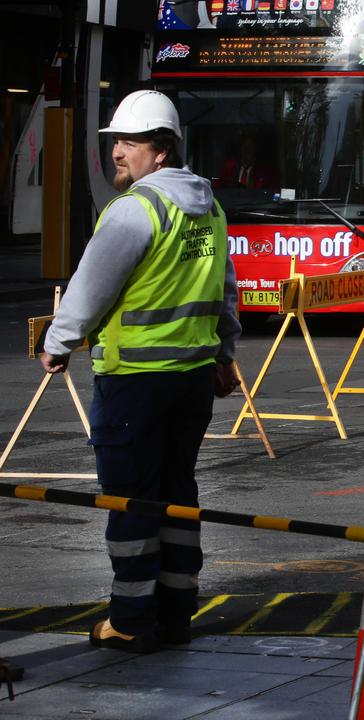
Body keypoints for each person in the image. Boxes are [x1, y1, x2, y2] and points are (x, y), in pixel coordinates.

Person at [39, 89, 241, 654]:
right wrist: (225, 356)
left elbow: (88, 290)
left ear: (162, 151)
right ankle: (176, 614)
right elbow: (225, 294)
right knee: (177, 495)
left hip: (134, 383)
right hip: (192, 378)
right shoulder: (210, 208)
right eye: (115, 141)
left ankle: (130, 620)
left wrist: (58, 342)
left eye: (129, 141)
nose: (118, 152)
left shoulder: (134, 210)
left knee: (130, 503)